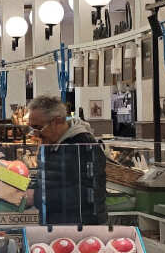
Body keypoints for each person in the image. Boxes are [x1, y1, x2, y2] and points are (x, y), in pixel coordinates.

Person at [24, 95, 106, 225]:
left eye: (38, 127)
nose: (34, 134)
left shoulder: (83, 146)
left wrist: (36, 196)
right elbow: (51, 181)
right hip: (55, 224)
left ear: (57, 121)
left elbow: (85, 195)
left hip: (80, 228)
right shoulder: (51, 144)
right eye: (31, 128)